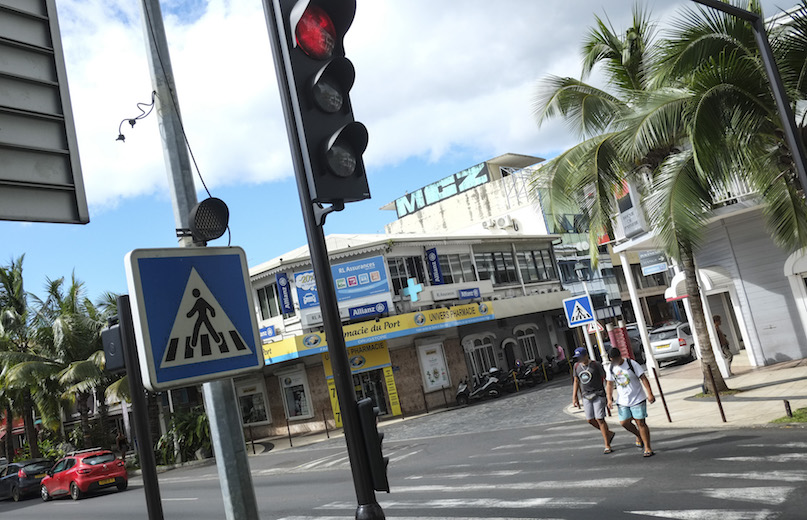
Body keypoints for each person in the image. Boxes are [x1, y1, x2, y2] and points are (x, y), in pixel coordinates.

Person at [606, 347, 656, 457]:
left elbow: (643, 378)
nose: (614, 362)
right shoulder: (611, 367)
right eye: (612, 360)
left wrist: (650, 393)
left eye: (615, 360)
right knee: (624, 422)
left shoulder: (631, 363)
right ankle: (638, 435)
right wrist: (609, 399)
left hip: (638, 398)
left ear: (619, 356)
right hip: (622, 400)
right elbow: (609, 383)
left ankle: (648, 447)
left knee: (640, 422)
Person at [571, 346, 615, 454]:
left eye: (581, 357)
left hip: (598, 394)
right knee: (590, 419)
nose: (580, 359)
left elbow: (606, 379)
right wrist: (574, 397)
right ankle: (608, 433)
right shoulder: (576, 366)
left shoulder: (596, 365)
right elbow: (576, 381)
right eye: (578, 357)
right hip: (586, 395)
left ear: (586, 355)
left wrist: (609, 395)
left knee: (600, 419)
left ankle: (607, 445)